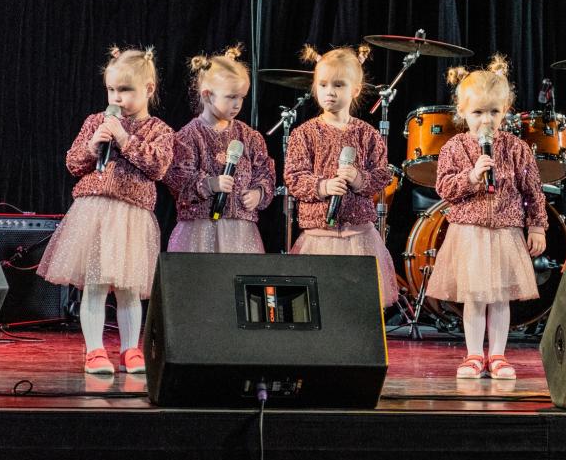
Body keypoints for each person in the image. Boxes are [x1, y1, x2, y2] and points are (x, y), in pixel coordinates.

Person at [38, 47, 174, 375]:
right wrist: (92, 146)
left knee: (128, 289)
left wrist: (125, 139)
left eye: (125, 90)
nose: (117, 97)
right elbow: (73, 163)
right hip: (95, 214)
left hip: (131, 217)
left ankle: (131, 350)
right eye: (111, 90)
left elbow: (158, 167)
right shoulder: (95, 122)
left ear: (148, 89)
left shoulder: (160, 130)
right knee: (95, 284)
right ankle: (95, 351)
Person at [427, 55, 548, 380]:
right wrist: (471, 176)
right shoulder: (454, 147)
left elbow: (533, 191)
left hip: (505, 232)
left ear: (505, 111)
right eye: (478, 112)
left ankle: (497, 355)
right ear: (462, 111)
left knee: (499, 298)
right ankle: (473, 355)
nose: (486, 120)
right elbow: (444, 188)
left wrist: (537, 225)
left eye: (494, 112)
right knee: (475, 298)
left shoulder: (517, 147)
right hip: (469, 233)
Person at [284, 45, 398, 307]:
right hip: (319, 236)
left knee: (356, 303)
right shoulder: (304, 133)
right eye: (323, 85)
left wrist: (359, 179)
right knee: (321, 303)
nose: (330, 92)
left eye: (338, 85)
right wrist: (323, 186)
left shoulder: (367, 134)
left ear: (355, 90)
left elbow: (382, 174)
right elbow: (294, 176)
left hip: (358, 235)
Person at [165, 45, 274, 253]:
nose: (237, 104)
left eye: (241, 97)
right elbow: (178, 178)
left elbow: (264, 172)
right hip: (200, 229)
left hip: (240, 233)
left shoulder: (249, 137)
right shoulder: (188, 136)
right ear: (207, 95)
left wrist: (258, 193)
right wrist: (210, 184)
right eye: (231, 97)